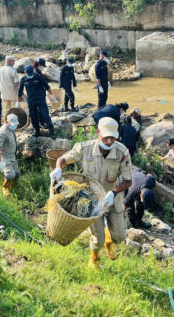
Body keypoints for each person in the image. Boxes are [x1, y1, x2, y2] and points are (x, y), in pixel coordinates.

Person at [51, 117, 132, 268]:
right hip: (91, 199)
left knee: (120, 236)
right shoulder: (84, 148)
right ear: (97, 133)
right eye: (106, 136)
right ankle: (94, 260)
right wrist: (58, 169)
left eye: (112, 137)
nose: (109, 141)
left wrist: (114, 193)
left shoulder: (122, 152)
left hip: (111, 197)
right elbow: (63, 159)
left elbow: (128, 181)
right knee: (98, 238)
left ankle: (110, 238)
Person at [18, 65, 58, 139]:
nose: (30, 75)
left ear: (32, 71)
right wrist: (18, 102)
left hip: (40, 99)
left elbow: (47, 86)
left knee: (45, 115)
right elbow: (20, 91)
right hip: (31, 100)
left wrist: (52, 95)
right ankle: (37, 131)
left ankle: (52, 133)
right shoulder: (23, 79)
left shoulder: (38, 77)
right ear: (25, 72)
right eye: (28, 73)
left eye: (31, 73)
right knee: (33, 116)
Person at [0, 114, 20, 197]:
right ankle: (5, 187)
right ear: (7, 122)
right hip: (5, 156)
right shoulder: (2, 132)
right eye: (13, 124)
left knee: (17, 174)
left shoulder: (11, 129)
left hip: (12, 155)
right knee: (10, 175)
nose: (14, 126)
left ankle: (13, 187)